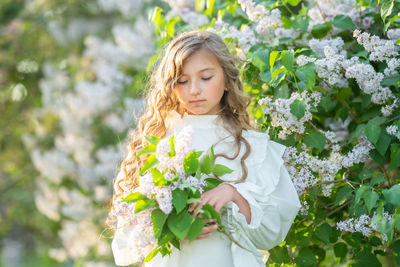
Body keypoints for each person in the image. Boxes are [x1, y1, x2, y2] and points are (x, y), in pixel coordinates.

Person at [109, 30, 301, 267]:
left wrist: (233, 194)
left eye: (206, 77)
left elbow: (271, 234)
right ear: (170, 85)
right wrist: (172, 230)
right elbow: (126, 245)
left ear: (227, 80)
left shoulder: (252, 147)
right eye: (182, 81)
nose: (194, 90)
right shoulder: (157, 144)